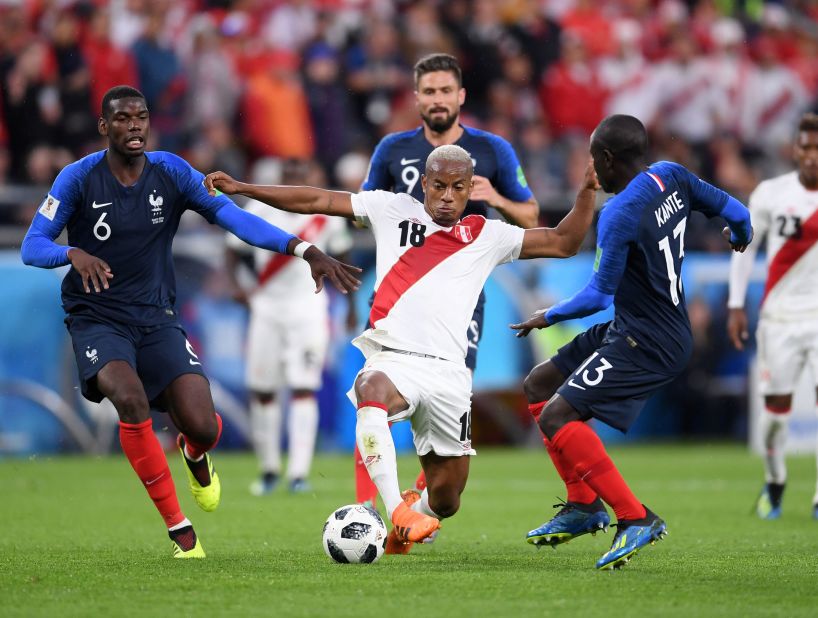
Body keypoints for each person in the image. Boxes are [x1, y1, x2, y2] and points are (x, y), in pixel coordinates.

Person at [204, 143, 598, 555]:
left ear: (470, 191)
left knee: (447, 499)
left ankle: (410, 514)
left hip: (449, 373)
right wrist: (244, 187)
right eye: (439, 186)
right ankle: (397, 511)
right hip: (393, 359)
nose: (447, 196)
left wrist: (587, 190)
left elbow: (563, 242)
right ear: (424, 183)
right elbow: (317, 199)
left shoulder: (488, 235)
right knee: (371, 387)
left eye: (458, 188)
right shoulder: (390, 209)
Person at [20, 85, 361, 559]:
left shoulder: (172, 172)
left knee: (203, 426)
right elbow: (32, 245)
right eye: (121, 119)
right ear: (104, 127)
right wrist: (71, 252)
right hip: (96, 316)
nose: (133, 126)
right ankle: (180, 530)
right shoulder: (78, 178)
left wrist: (303, 249)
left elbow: (233, 217)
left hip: (157, 318)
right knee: (130, 398)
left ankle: (195, 452)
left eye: (140, 117)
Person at [511, 114, 753, 570]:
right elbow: (738, 214)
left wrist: (550, 315)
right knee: (540, 386)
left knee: (560, 414)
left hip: (650, 339)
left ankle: (635, 517)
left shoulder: (618, 213)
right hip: (638, 324)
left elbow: (598, 294)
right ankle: (583, 507)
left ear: (605, 159)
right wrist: (739, 237)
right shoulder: (672, 174)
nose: (589, 167)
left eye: (591, 157)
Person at [356, 51, 539, 505]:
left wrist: (494, 195)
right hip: (399, 294)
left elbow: (531, 215)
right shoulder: (392, 150)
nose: (437, 100)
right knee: (375, 392)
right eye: (429, 92)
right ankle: (368, 507)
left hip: (459, 299)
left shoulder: (493, 150)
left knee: (447, 394)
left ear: (461, 96)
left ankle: (421, 502)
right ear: (417, 98)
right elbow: (361, 212)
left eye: (445, 91)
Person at [225, 158, 355, 495]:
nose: (295, 180)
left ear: (307, 178)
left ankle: (298, 472)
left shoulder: (324, 212)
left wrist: (351, 305)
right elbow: (233, 249)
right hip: (266, 308)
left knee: (303, 387)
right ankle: (269, 469)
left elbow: (342, 254)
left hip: (309, 308)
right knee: (263, 390)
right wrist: (239, 286)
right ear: (282, 178)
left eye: (300, 175)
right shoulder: (260, 206)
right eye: (289, 175)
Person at [727, 112, 818, 520]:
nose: (812, 156)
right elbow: (743, 247)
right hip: (779, 319)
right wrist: (734, 304)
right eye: (806, 147)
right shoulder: (769, 193)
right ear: (795, 149)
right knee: (775, 416)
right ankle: (775, 481)